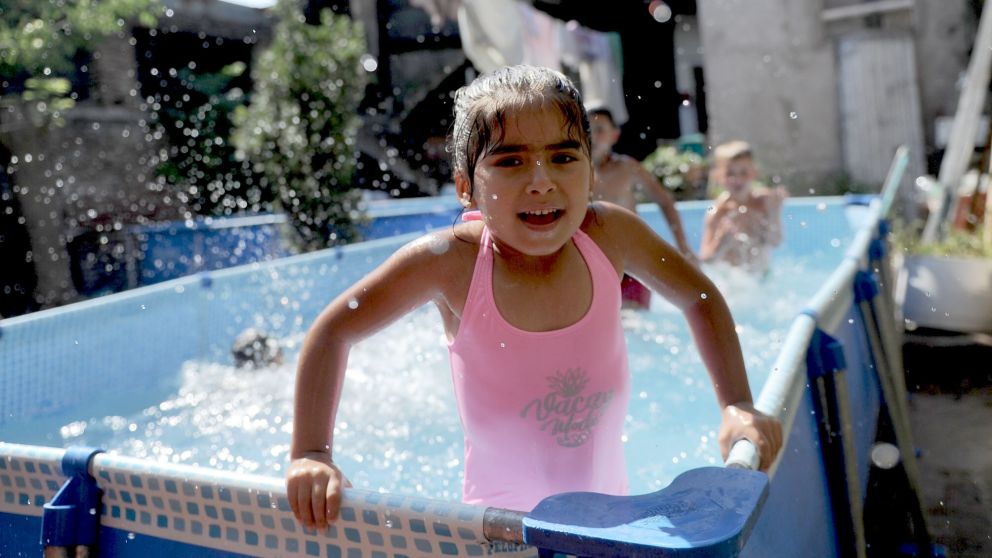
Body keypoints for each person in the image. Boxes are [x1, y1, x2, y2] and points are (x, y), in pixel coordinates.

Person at [287, 66, 782, 530]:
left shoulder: (610, 234)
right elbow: (335, 330)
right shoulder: (450, 262)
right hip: (498, 531)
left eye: (564, 157)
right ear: (466, 188)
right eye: (510, 161)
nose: (541, 181)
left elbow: (698, 295)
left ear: (591, 173)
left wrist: (736, 403)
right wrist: (312, 452)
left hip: (611, 516)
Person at [588, 105, 697, 309]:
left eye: (600, 130)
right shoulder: (576, 173)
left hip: (631, 264)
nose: (593, 136)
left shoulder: (627, 168)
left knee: (634, 322)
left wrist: (682, 245)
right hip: (594, 267)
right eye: (587, 129)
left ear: (615, 134)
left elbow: (664, 201)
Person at [699, 141, 787, 274]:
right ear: (718, 176)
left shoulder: (763, 204)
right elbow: (705, 260)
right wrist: (720, 242)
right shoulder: (718, 212)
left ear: (754, 173)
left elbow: (776, 242)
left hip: (762, 276)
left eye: (743, 173)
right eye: (730, 174)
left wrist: (774, 213)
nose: (737, 179)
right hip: (733, 281)